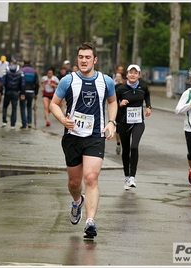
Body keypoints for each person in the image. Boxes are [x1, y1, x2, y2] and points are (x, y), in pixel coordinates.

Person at [49, 42, 117, 240]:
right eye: (81, 57)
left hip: (95, 136)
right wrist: (63, 119)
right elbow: (54, 104)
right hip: (72, 137)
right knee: (74, 182)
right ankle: (77, 201)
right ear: (77, 59)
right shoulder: (67, 81)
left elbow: (112, 102)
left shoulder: (106, 81)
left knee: (90, 178)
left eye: (88, 57)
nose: (84, 60)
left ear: (95, 59)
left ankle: (90, 222)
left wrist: (112, 122)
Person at [116, 65, 151, 189]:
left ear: (139, 75)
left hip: (138, 122)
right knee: (126, 150)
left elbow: (147, 95)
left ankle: (132, 177)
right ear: (127, 74)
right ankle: (126, 176)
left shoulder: (143, 86)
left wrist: (148, 106)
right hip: (124, 122)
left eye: (135, 73)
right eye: (130, 72)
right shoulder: (121, 89)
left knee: (134, 147)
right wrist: (120, 103)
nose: (133, 75)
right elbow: (112, 103)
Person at [0, 59, 26, 129]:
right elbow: (23, 83)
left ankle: (4, 121)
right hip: (16, 92)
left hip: (7, 91)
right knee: (14, 108)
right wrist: (22, 92)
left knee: (5, 106)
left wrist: (1, 90)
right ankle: (12, 124)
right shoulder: (20, 72)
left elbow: (3, 82)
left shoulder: (6, 71)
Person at [20, 59, 40, 129]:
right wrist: (36, 93)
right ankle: (29, 122)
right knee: (29, 106)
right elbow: (37, 83)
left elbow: (19, 81)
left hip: (23, 92)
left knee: (22, 107)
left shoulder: (21, 70)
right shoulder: (34, 71)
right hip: (31, 91)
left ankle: (24, 124)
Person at [114, 71, 126, 155]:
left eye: (119, 76)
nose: (118, 77)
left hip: (125, 110)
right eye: (117, 76)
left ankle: (125, 143)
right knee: (117, 129)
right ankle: (118, 143)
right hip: (118, 109)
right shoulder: (115, 87)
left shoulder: (127, 87)